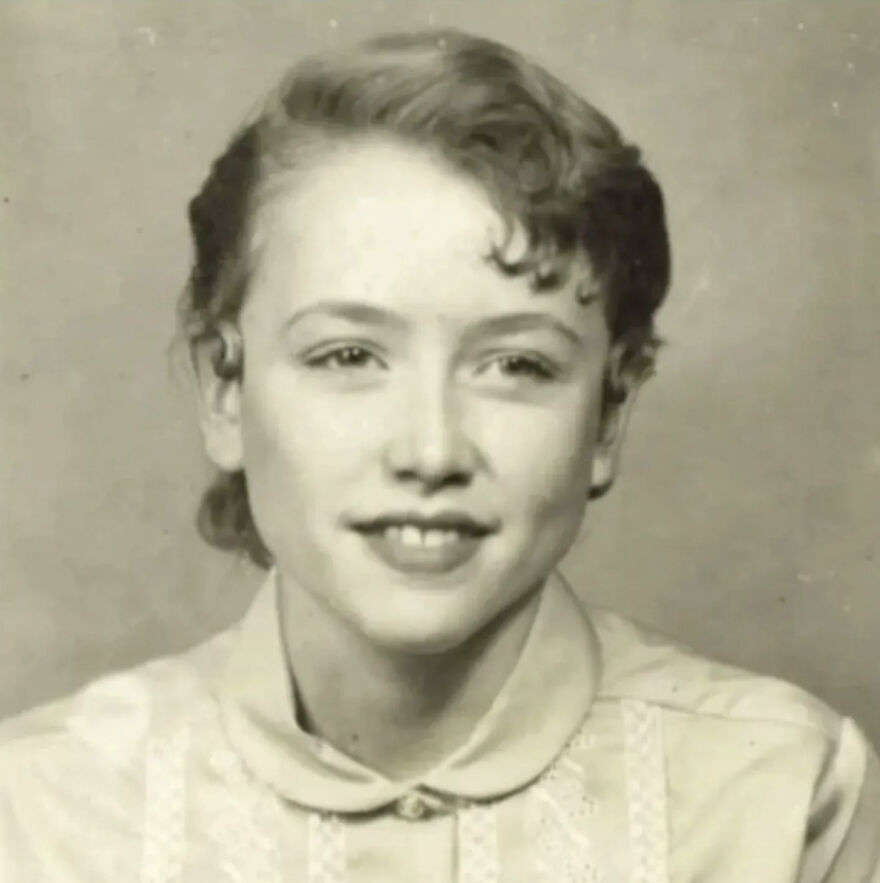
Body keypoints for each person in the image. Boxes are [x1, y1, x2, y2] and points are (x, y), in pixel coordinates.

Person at [1, 27, 878, 882]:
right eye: (348, 356)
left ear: (609, 412)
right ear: (225, 390)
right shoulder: (37, 815)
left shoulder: (786, 795)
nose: (430, 450)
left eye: (516, 364)